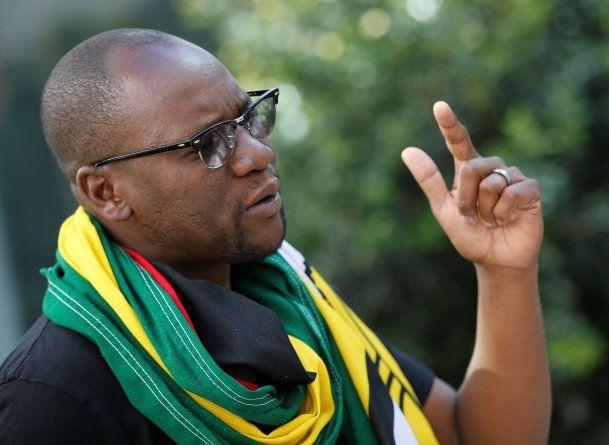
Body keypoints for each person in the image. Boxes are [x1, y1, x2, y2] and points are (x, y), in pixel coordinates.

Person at [0, 28, 551, 444]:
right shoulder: (54, 394)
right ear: (105, 192)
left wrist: (505, 273)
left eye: (250, 119)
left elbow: (467, 434)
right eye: (208, 144)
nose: (258, 155)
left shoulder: (290, 296)